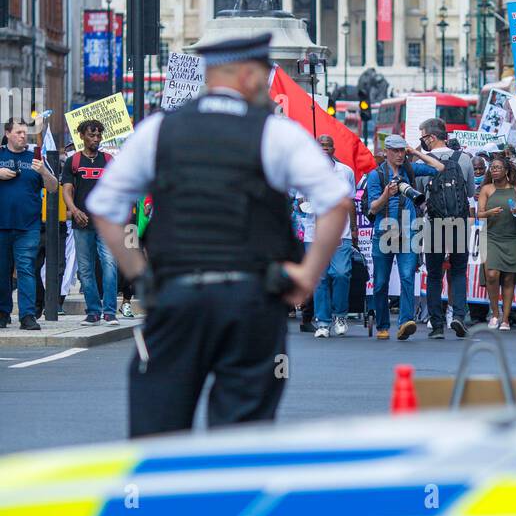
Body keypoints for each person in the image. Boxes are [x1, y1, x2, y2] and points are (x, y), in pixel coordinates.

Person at [88, 31, 350, 436]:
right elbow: (335, 201)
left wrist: (140, 275)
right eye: (264, 75)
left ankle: (163, 494)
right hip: (252, 301)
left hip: (175, 298)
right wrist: (307, 275)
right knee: (241, 438)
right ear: (246, 74)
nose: (267, 85)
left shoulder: (158, 129)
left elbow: (105, 208)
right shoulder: (276, 132)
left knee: (158, 432)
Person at [411, 117, 473, 340]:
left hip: (433, 223)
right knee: (458, 271)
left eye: (422, 137)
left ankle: (436, 325)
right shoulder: (464, 158)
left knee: (435, 275)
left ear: (431, 137)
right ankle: (458, 316)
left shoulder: (423, 162)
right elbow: (470, 193)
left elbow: (418, 191)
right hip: (458, 222)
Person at [363, 133, 430, 341]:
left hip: (409, 232)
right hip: (384, 232)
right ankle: (383, 324)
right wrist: (387, 194)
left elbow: (439, 169)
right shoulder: (376, 175)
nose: (400, 154)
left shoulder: (409, 169)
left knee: (408, 277)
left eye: (403, 150)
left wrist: (417, 152)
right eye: (396, 151)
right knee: (381, 282)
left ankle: (405, 322)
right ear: (386, 152)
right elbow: (372, 207)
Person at [0, 116, 58, 330]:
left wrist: (43, 171)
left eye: (25, 133)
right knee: (1, 271)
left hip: (28, 226)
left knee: (26, 269)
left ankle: (27, 315)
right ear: (7, 134)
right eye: (18, 132)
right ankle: (2, 312)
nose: (23, 136)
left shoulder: (35, 158)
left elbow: (53, 187)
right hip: (2, 225)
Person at [61, 119, 119, 324]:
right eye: (91, 135)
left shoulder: (109, 160)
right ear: (82, 136)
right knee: (85, 268)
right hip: (82, 222)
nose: (96, 139)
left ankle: (110, 311)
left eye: (98, 135)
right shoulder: (73, 161)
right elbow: (66, 190)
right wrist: (74, 210)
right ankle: (93, 311)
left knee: (110, 264)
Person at [311, 132, 358, 338]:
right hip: (314, 234)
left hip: (341, 232)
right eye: (320, 146)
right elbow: (296, 201)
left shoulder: (345, 172)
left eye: (327, 146)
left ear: (333, 150)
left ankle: (340, 315)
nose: (323, 149)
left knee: (340, 273)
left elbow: (351, 202)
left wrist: (354, 228)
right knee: (320, 278)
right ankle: (323, 322)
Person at [475, 154, 516, 330]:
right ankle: (495, 314)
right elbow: (479, 213)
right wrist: (490, 212)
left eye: (498, 168)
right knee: (491, 275)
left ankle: (505, 319)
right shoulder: (487, 189)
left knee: (508, 279)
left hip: (512, 237)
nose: (494, 170)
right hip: (490, 236)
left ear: (506, 171)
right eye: (493, 168)